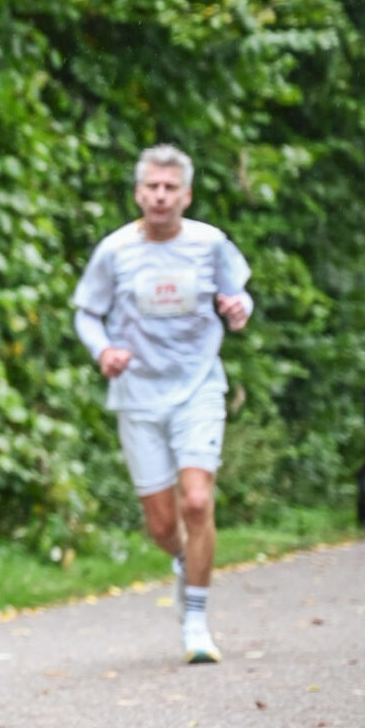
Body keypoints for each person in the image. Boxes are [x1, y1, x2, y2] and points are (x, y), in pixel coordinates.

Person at [72, 144, 252, 664]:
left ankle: (195, 620)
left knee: (196, 501)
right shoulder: (115, 251)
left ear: (186, 196)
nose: (160, 195)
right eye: (152, 186)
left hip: (198, 387)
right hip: (138, 394)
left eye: (170, 188)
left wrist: (238, 308)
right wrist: (103, 350)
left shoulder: (210, 244)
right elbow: (87, 313)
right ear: (138, 193)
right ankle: (181, 560)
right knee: (161, 525)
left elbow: (238, 295)